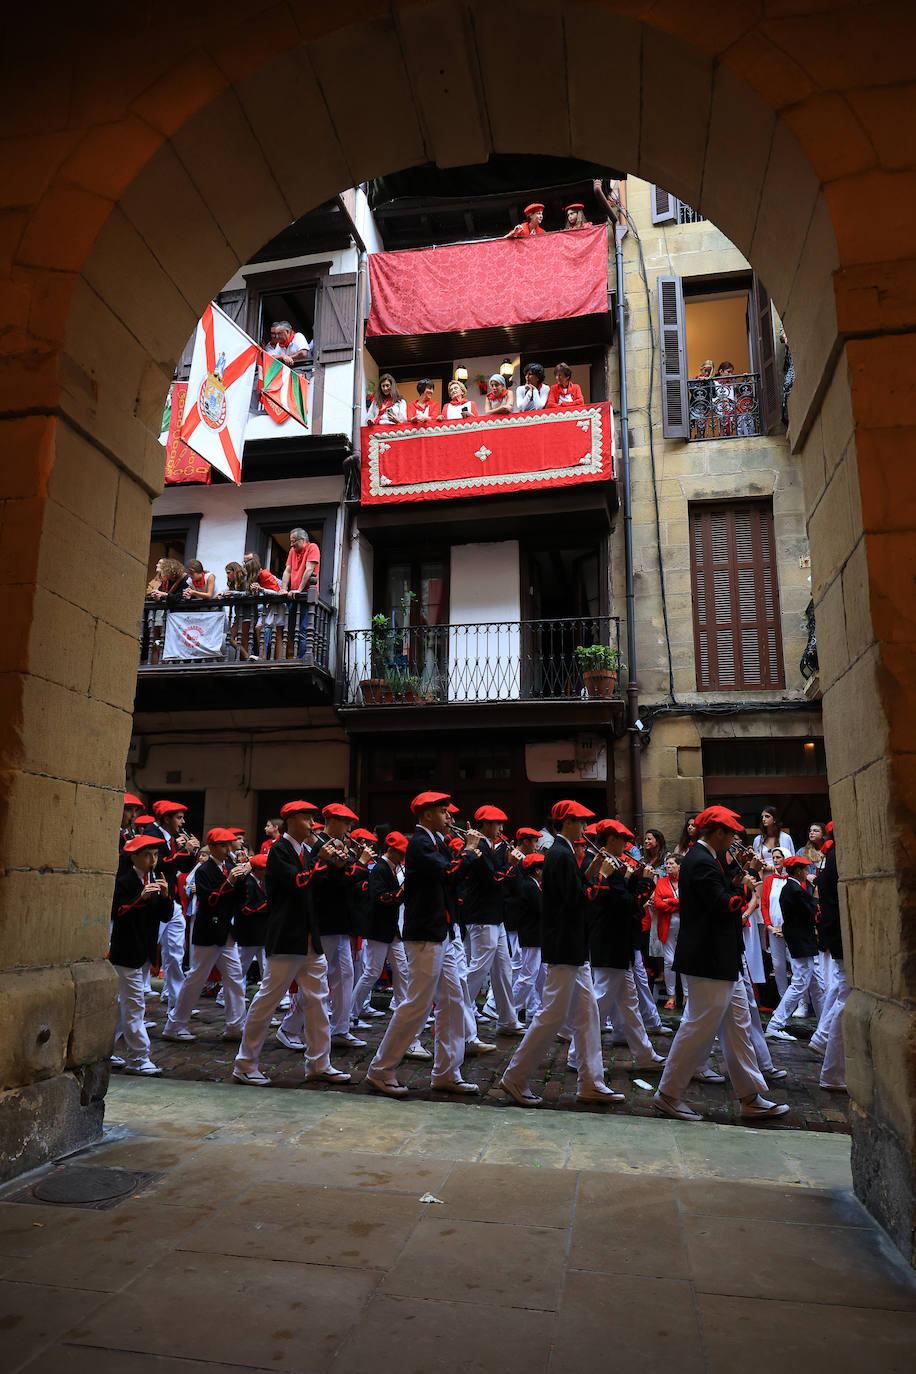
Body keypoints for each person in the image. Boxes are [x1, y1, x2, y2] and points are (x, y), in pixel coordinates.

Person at [653, 805, 789, 1122]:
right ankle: (668, 1094)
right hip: (709, 958)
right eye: (730, 834)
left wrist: (737, 871)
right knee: (697, 1026)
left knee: (738, 1027)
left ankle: (750, 1096)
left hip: (721, 957)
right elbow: (723, 903)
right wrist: (746, 884)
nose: (733, 840)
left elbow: (720, 889)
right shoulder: (701, 861)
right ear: (717, 833)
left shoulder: (707, 858)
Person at [499, 800, 624, 1108]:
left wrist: (592, 869)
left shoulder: (561, 853)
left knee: (588, 1015)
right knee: (551, 1016)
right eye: (581, 821)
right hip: (566, 946)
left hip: (572, 947)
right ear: (567, 822)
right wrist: (602, 876)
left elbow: (574, 889)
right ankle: (515, 1076)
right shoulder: (559, 854)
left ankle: (591, 1082)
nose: (585, 827)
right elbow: (577, 901)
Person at [366, 791, 481, 1098]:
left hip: (442, 931)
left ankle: (446, 1072)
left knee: (453, 1003)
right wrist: (469, 851)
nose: (449, 817)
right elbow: (449, 873)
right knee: (417, 1003)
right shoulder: (419, 843)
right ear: (428, 815)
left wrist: (469, 855)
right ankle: (381, 1069)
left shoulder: (437, 842)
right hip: (425, 933)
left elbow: (453, 879)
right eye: (443, 811)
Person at [233, 799, 352, 1086]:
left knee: (318, 1001)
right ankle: (245, 1064)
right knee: (267, 1000)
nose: (312, 824)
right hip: (287, 937)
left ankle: (319, 1063)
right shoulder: (279, 851)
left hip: (309, 938)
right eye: (306, 818)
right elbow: (298, 883)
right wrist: (321, 860)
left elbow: (319, 888)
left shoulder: (305, 851)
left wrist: (337, 866)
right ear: (291, 821)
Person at [587, 819, 666, 1071]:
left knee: (630, 1004)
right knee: (599, 1003)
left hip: (619, 944)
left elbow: (623, 897)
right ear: (611, 840)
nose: (626, 845)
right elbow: (626, 903)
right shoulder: (605, 867)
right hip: (610, 944)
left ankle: (645, 1054)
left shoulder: (614, 866)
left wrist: (634, 877)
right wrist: (646, 882)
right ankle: (577, 1055)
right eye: (623, 840)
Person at [161, 827, 249, 1041]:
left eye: (228, 845)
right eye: (223, 845)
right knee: (196, 978)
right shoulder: (203, 870)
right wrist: (231, 882)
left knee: (235, 978)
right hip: (208, 932)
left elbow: (239, 897)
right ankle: (175, 1026)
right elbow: (210, 900)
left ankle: (235, 1026)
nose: (228, 849)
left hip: (226, 932)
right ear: (212, 847)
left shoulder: (230, 866)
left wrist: (244, 876)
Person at [309, 803, 374, 1049]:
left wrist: (357, 861)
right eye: (346, 822)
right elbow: (335, 882)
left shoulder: (338, 845)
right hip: (326, 918)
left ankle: (340, 1028)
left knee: (345, 975)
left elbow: (348, 879)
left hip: (342, 920)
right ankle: (291, 1026)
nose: (349, 828)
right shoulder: (321, 846)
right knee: (317, 975)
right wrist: (361, 863)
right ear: (333, 821)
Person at [461, 805, 524, 1039]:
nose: (501, 828)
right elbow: (493, 879)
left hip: (495, 916)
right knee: (479, 968)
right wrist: (510, 863)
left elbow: (502, 879)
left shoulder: (492, 847)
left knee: (503, 970)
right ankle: (456, 1011)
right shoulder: (478, 847)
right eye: (497, 824)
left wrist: (507, 860)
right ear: (485, 825)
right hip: (481, 915)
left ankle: (507, 1019)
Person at [110, 834, 171, 1076]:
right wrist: (140, 898)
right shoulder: (124, 881)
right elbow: (118, 913)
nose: (152, 860)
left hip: (144, 951)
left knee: (123, 1004)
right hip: (126, 952)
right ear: (134, 857)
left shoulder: (154, 880)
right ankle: (139, 1057)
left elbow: (165, 916)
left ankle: (106, 1049)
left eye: (155, 855)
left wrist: (165, 896)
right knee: (135, 1004)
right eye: (147, 855)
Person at [147, 799, 200, 1014]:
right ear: (167, 818)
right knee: (147, 954)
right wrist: (181, 851)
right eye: (179, 818)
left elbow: (183, 867)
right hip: (154, 901)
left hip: (171, 901)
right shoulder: (152, 833)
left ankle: (176, 1002)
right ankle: (134, 1014)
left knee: (176, 952)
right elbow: (158, 863)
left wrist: (192, 852)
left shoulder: (171, 838)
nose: (183, 822)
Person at [765, 856, 824, 1041]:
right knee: (800, 983)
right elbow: (813, 910)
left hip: (801, 940)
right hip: (801, 941)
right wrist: (817, 894)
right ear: (798, 871)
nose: (807, 872)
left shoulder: (791, 888)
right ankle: (776, 1023)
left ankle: (825, 1026)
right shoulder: (795, 889)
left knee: (816, 984)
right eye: (804, 869)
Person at [811, 834, 847, 1090]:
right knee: (845, 994)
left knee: (839, 986)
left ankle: (822, 1037)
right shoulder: (836, 857)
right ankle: (833, 1072)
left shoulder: (830, 858)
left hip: (836, 934)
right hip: (841, 935)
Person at [512, 852, 545, 1020]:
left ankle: (538, 1010)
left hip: (535, 937)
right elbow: (540, 910)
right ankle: (511, 1011)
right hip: (532, 937)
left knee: (541, 977)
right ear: (537, 871)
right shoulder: (531, 886)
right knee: (528, 977)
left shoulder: (531, 885)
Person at [281, 527, 320, 662]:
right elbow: (287, 570)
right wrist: (283, 588)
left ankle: (303, 658)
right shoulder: (292, 551)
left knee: (304, 629)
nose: (291, 545)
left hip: (307, 595)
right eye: (290, 542)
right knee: (290, 628)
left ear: (303, 540)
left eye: (294, 541)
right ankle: (292, 656)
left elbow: (309, 569)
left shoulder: (312, 547)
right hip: (294, 595)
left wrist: (299, 589)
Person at [234, 851, 269, 993]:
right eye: (265, 869)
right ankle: (224, 995)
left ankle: (268, 997)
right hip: (248, 934)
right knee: (241, 967)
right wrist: (266, 906)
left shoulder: (262, 882)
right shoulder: (247, 883)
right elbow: (245, 908)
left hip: (261, 933)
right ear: (257, 870)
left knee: (267, 967)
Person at [243, 552, 284, 660]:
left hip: (277, 604)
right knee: (259, 627)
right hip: (269, 605)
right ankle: (263, 656)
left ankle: (279, 660)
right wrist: (255, 591)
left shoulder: (265, 574)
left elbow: (276, 592)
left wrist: (261, 589)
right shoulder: (257, 578)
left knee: (277, 632)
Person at [654, 853, 682, 1010]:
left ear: (679, 866)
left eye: (672, 863)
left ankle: (687, 995)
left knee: (684, 959)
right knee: (669, 961)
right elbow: (658, 904)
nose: (668, 866)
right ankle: (671, 996)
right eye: (667, 863)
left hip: (685, 926)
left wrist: (671, 901)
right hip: (667, 926)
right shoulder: (661, 882)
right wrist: (678, 905)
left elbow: (689, 902)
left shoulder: (686, 882)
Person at [689, 361, 714, 440]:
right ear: (701, 369)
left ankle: (700, 435)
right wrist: (699, 381)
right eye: (705, 370)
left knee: (702, 424)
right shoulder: (694, 380)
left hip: (705, 408)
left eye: (709, 371)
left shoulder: (711, 382)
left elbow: (714, 394)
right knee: (696, 422)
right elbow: (692, 391)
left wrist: (708, 380)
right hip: (695, 407)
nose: (706, 373)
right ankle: (697, 436)